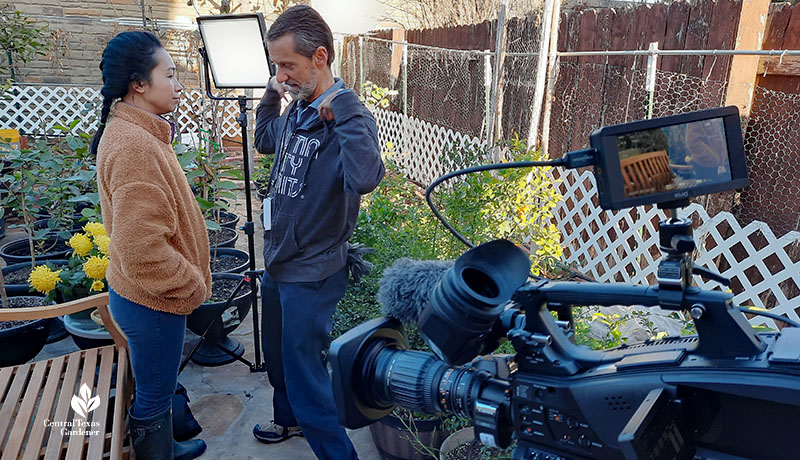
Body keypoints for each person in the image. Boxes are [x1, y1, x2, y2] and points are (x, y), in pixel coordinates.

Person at [251, 6, 385, 460]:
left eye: (287, 65)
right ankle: (288, 419)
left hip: (312, 270)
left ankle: (336, 453)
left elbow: (366, 177)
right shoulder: (299, 107)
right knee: (279, 356)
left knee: (306, 372)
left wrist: (344, 105)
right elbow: (266, 140)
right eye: (275, 66)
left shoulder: (347, 114)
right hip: (280, 261)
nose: (281, 74)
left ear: (321, 57)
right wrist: (273, 95)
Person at [93, 31, 211, 460]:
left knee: (152, 387)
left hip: (141, 297)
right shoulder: (135, 146)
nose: (178, 85)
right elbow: (142, 249)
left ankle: (165, 447)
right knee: (154, 396)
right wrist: (190, 285)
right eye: (171, 74)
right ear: (138, 83)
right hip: (154, 302)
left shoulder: (133, 132)